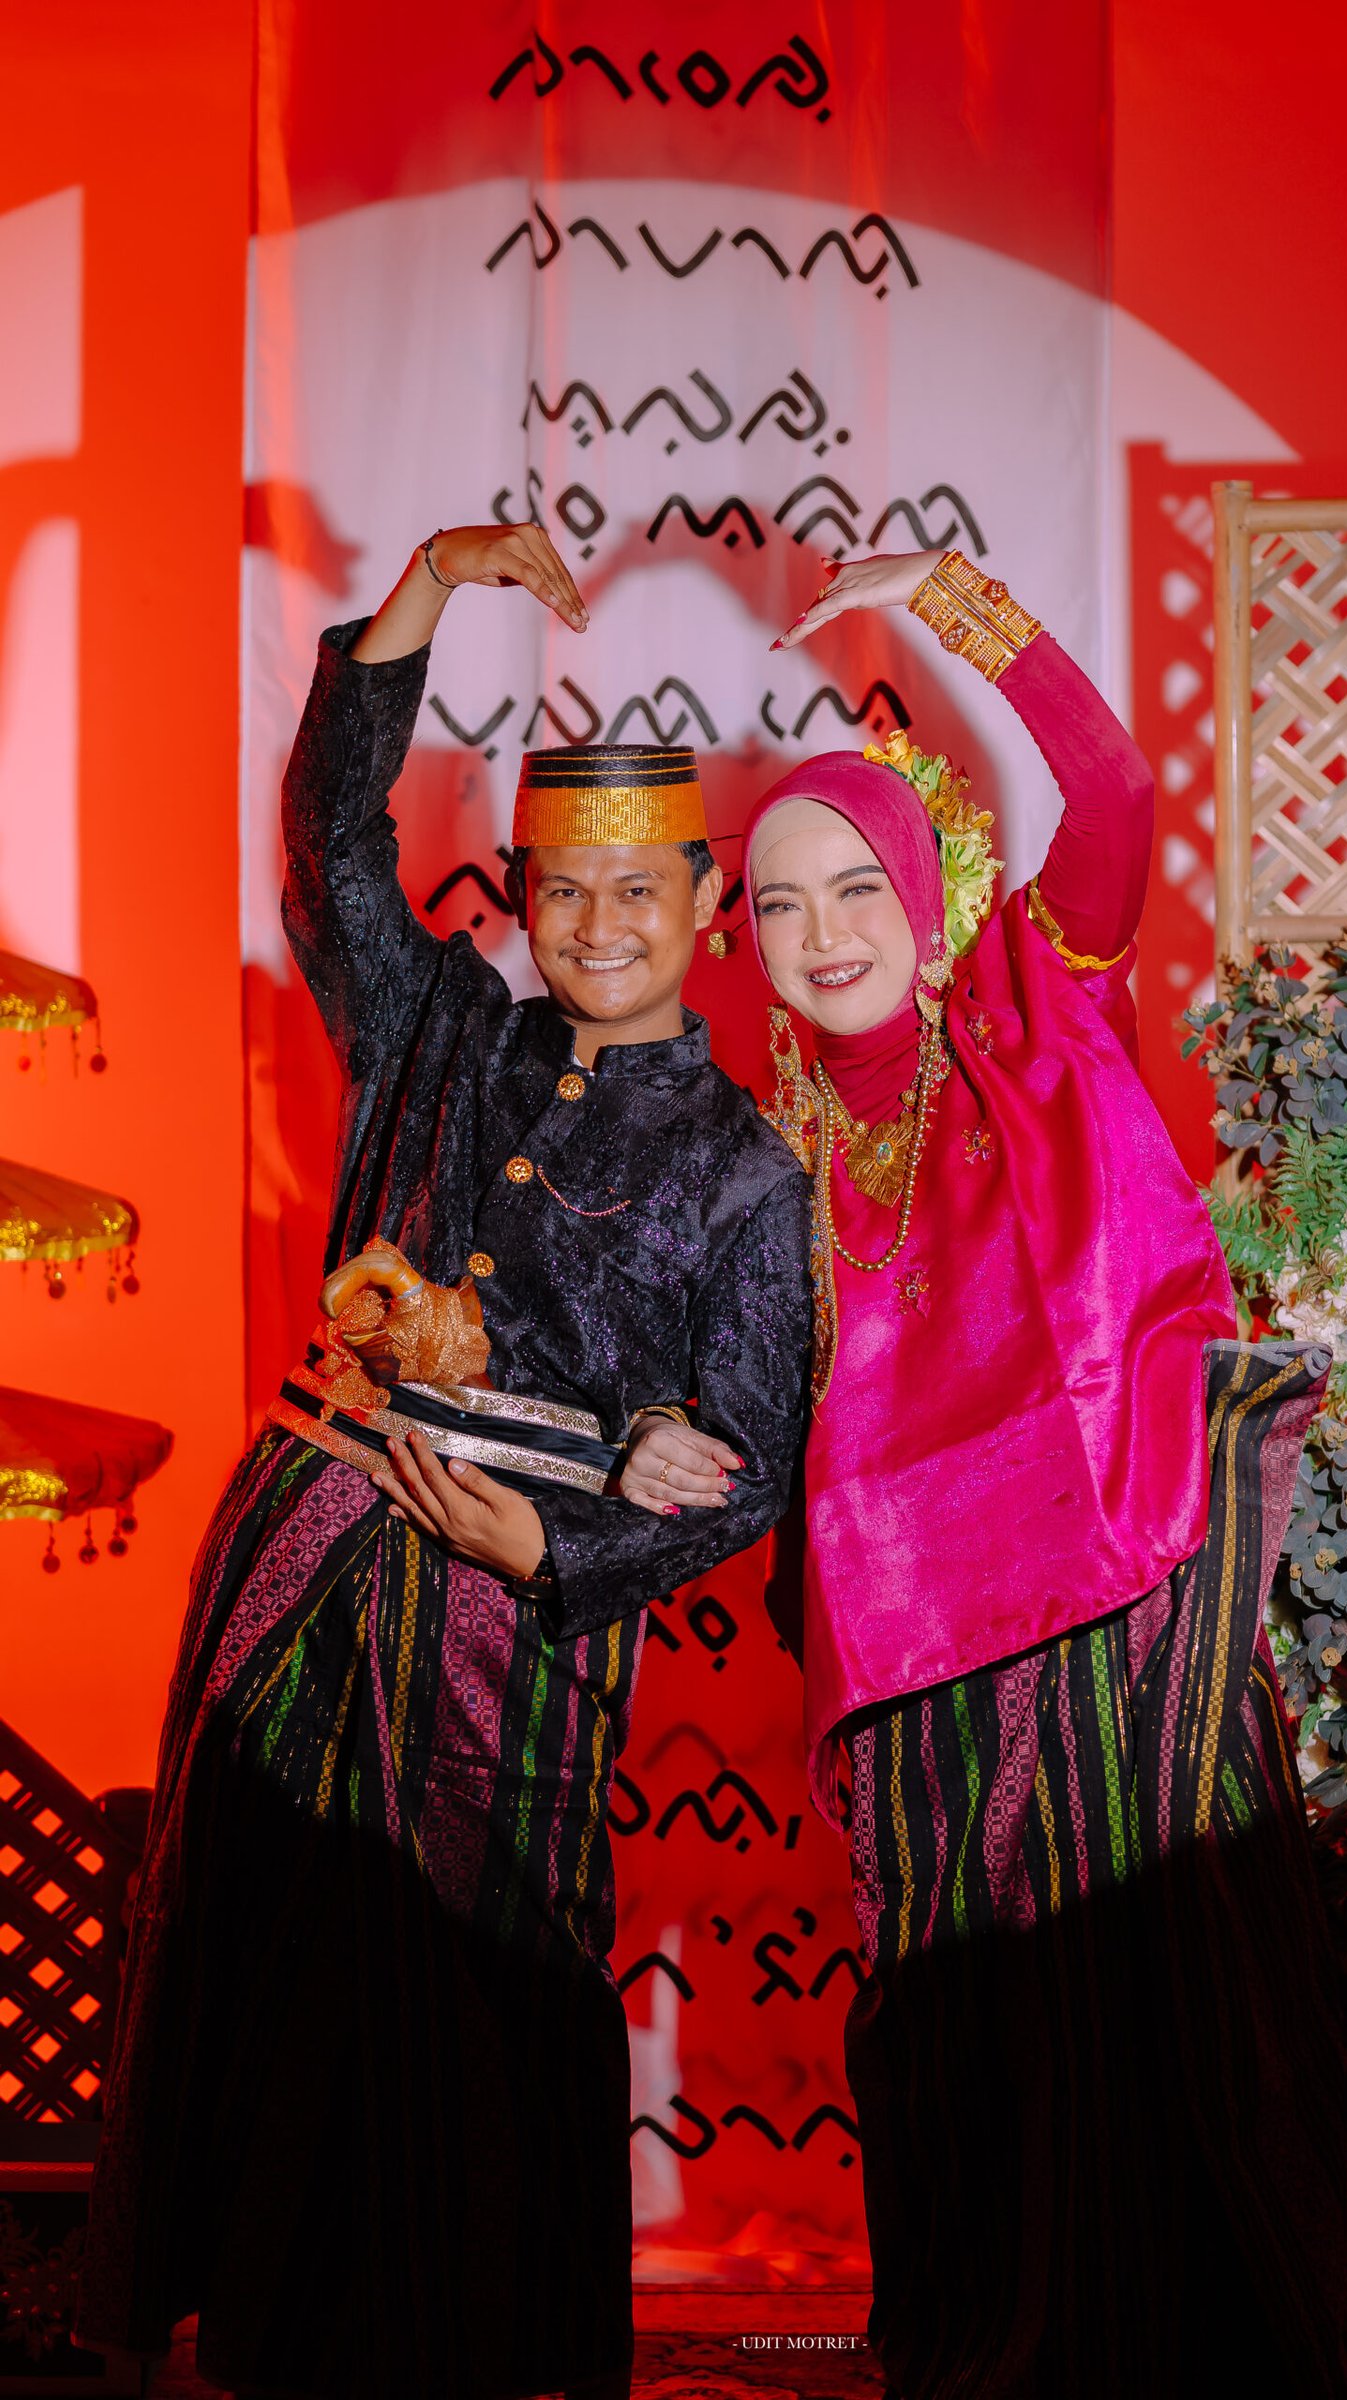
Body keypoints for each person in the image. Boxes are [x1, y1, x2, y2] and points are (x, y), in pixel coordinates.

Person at [75, 521, 813, 2400]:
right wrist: (413, 602)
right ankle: (245, 2334)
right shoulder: (438, 1033)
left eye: (637, 888)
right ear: (523, 894)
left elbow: (751, 1460)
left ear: (709, 900)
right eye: (563, 888)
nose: (598, 923)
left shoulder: (747, 1169)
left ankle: (481, 2348)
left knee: (480, 1973)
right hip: (304, 1539)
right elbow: (331, 848)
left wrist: (556, 1557)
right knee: (254, 1930)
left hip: (507, 1607)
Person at [631, 547, 1347, 2397]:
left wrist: (956, 603)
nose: (826, 932)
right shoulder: (763, 1163)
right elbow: (736, 1418)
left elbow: (1108, 792)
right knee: (974, 2049)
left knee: (1156, 2019)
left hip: (1123, 1614)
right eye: (782, 904)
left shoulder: (1040, 1002)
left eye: (860, 885)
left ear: (928, 892)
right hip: (925, 1677)